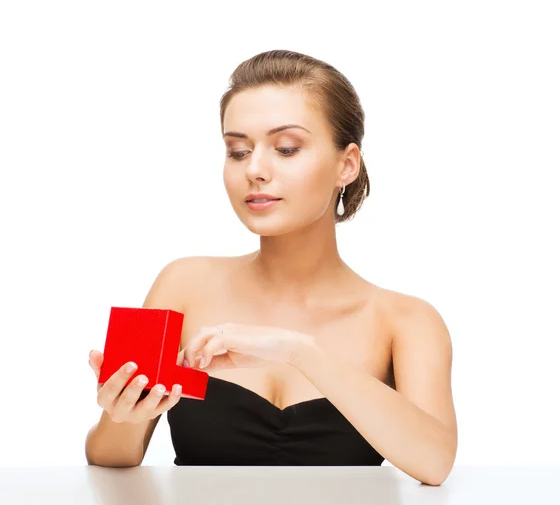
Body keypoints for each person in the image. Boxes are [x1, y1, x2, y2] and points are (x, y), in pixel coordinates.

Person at [84, 49, 458, 486]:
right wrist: (122, 411)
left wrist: (299, 352)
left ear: (346, 164)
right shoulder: (181, 283)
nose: (255, 170)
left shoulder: (407, 320)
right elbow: (111, 458)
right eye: (238, 151)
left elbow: (435, 463)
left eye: (286, 148)